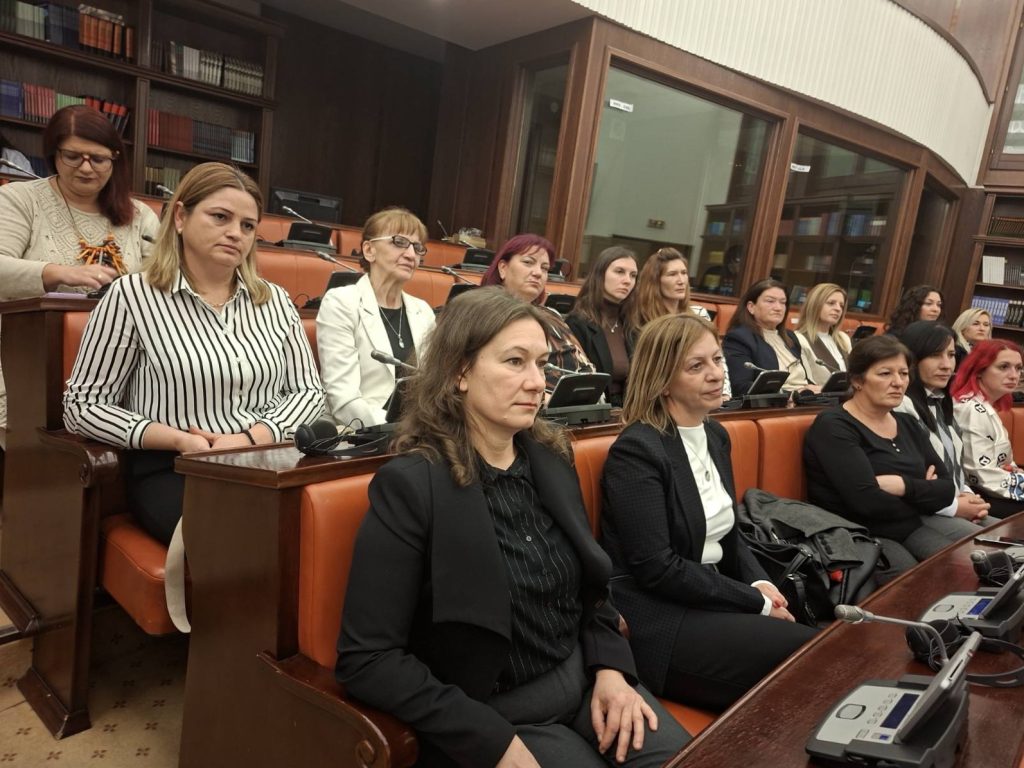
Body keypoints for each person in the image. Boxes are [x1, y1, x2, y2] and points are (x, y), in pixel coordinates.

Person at [336, 287, 690, 768]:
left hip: (587, 680)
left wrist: (612, 668)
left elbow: (591, 589)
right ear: (460, 372)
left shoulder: (551, 458)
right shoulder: (412, 485)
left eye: (541, 364)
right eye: (515, 362)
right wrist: (489, 740)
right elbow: (368, 659)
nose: (537, 382)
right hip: (496, 715)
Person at [63, 162, 325, 545]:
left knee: (330, 527)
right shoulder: (132, 296)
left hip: (268, 458)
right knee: (251, 540)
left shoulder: (275, 300)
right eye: (220, 217)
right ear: (181, 217)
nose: (235, 233)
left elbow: (309, 392)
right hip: (174, 467)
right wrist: (179, 440)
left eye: (248, 225)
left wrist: (250, 437)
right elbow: (83, 407)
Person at [601, 313, 815, 712]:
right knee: (808, 657)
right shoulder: (638, 450)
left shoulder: (714, 434)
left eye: (716, 359)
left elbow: (729, 533)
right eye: (696, 366)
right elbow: (657, 568)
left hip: (710, 594)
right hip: (662, 615)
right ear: (663, 381)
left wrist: (761, 584)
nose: (716, 373)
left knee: (819, 646)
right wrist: (753, 601)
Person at [0, 105, 159, 442]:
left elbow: (162, 280)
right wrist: (61, 273)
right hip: (24, 354)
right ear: (54, 155)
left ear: (114, 159)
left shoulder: (140, 215)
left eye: (98, 159)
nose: (86, 168)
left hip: (119, 360)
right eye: (73, 156)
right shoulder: (19, 199)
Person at [804, 335, 982, 580]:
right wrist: (924, 490)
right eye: (885, 373)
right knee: (920, 578)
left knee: (977, 561)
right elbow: (866, 501)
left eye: (904, 373)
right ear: (857, 380)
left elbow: (945, 488)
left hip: (910, 523)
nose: (898, 382)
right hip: (860, 531)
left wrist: (902, 486)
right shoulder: (834, 425)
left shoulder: (907, 422)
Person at [316, 207, 436, 428]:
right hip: (361, 432)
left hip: (419, 430)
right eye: (399, 242)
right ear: (369, 250)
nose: (411, 255)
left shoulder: (423, 311)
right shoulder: (341, 302)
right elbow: (343, 399)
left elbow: (432, 386)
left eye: (417, 247)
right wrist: (398, 431)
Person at [894, 321, 991, 522]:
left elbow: (953, 464)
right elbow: (914, 480)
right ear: (912, 359)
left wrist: (968, 495)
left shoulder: (940, 401)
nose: (947, 365)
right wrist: (956, 506)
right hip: (925, 512)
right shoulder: (900, 405)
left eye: (951, 354)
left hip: (954, 502)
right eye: (935, 355)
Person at [482, 233, 595, 393]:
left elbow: (584, 363)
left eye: (545, 268)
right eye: (528, 262)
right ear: (503, 268)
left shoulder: (552, 314)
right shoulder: (485, 315)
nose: (538, 273)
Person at [629, 248, 731, 399]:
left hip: (706, 395)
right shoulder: (640, 319)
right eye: (672, 274)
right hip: (660, 396)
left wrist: (724, 393)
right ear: (655, 281)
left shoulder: (699, 314)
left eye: (684, 273)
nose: (681, 280)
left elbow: (718, 359)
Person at [952, 339, 1024, 518]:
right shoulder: (972, 409)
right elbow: (980, 473)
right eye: (1003, 367)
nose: (1014, 375)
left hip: (994, 488)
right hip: (975, 494)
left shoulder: (984, 405)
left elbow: (1002, 464)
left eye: (1018, 368)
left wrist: (1015, 472)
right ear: (979, 370)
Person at [565, 246, 638, 407]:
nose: (627, 280)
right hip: (594, 410)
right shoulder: (577, 322)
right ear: (600, 274)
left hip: (630, 410)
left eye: (633, 275)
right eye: (619, 272)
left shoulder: (632, 324)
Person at [723, 278, 816, 396]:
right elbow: (741, 386)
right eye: (770, 301)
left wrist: (816, 389)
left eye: (783, 302)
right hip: (776, 403)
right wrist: (791, 394)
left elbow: (802, 379)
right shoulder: (739, 338)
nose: (778, 308)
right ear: (751, 307)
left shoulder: (790, 336)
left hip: (805, 399)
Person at [794, 282, 851, 386]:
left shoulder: (843, 338)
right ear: (815, 305)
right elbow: (802, 382)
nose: (838, 309)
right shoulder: (799, 339)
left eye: (841, 306)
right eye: (831, 303)